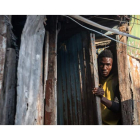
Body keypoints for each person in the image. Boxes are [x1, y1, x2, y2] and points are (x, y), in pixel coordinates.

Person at [92, 49, 121, 125]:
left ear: (112, 65)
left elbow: (117, 108)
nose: (104, 68)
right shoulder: (94, 79)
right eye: (102, 64)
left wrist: (101, 98)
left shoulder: (116, 81)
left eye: (108, 65)